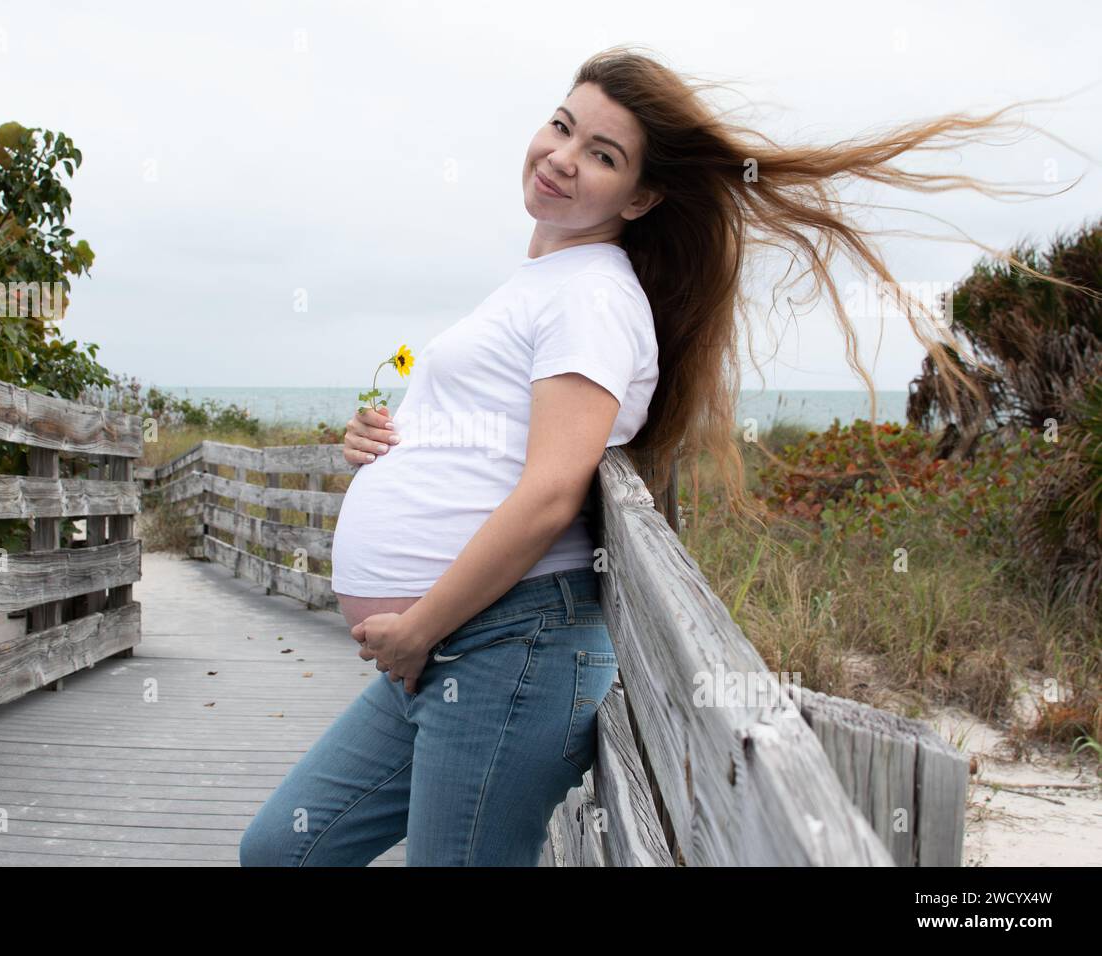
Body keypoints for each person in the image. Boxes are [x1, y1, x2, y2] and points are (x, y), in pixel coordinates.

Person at [239, 44, 1074, 867]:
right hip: (450, 651)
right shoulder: (544, 282)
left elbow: (552, 492)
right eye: (561, 127)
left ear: (640, 198)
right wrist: (384, 446)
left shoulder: (592, 297)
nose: (562, 158)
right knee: (281, 849)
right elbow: (498, 438)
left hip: (499, 651)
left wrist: (420, 628)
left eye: (600, 155)